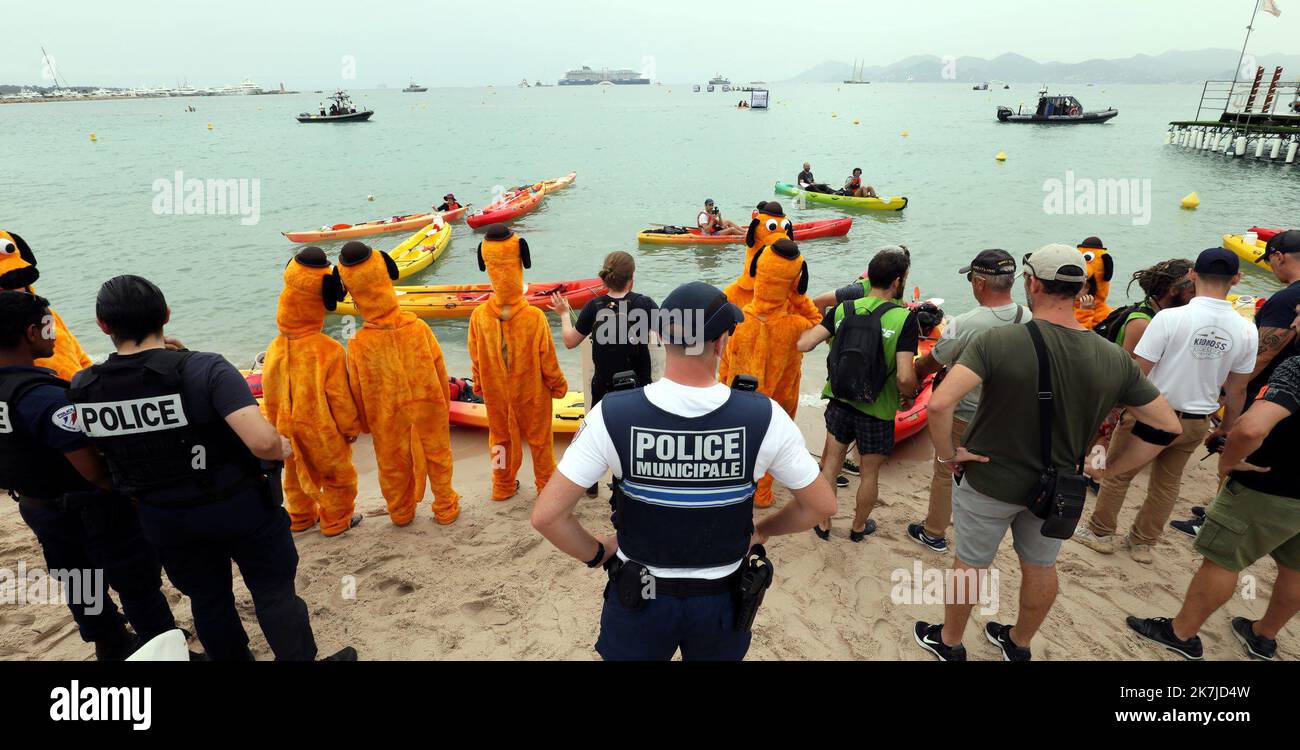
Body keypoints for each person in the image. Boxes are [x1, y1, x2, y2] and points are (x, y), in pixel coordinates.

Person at [531, 281, 836, 661]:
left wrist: (597, 554)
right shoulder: (764, 416)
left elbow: (547, 516)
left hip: (638, 595)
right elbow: (821, 506)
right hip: (722, 601)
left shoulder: (612, 414)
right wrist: (762, 530)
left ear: (659, 336)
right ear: (722, 341)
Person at [912, 244, 1181, 662]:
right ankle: (1018, 643)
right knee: (1039, 566)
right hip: (1058, 487)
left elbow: (940, 403)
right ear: (1081, 290)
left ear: (1032, 283)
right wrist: (1110, 471)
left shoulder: (998, 342)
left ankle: (949, 642)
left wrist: (949, 456)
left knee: (970, 565)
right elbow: (1168, 425)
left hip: (989, 479)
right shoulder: (1113, 359)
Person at [67, 276, 347, 661]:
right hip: (238, 505)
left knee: (209, 599)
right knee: (273, 591)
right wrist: (281, 446)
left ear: (103, 326)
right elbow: (261, 442)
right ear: (166, 315)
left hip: (163, 516)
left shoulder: (84, 386)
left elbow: (98, 462)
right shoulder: (204, 369)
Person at [0, 291, 178, 661]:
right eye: (49, 326)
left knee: (79, 580)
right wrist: (129, 493)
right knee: (136, 582)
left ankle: (109, 643)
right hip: (88, 506)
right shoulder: (44, 398)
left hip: (36, 504)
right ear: (32, 332)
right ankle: (158, 644)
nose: (54, 334)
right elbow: (93, 469)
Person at [1126, 320, 1300, 661]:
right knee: (1295, 569)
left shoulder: (1297, 367)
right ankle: (1264, 636)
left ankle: (1182, 633)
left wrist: (1228, 462)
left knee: (1222, 559)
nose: (1294, 322)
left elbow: (1250, 428)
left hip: (1269, 484)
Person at [1076, 249, 1257, 564]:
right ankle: (1143, 543)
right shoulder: (1246, 329)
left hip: (1152, 413)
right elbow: (1237, 389)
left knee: (1119, 474)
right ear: (1237, 279)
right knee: (1167, 483)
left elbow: (1138, 373)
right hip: (1198, 419)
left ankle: (1101, 533)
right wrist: (1226, 429)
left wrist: (1112, 414)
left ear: (1193, 275)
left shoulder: (1168, 318)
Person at [907, 249, 1029, 553]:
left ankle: (934, 532)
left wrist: (909, 377)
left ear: (979, 282)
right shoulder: (1030, 318)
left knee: (946, 471)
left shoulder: (966, 323)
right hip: (1010, 414)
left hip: (966, 414)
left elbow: (932, 363)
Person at [797, 249, 919, 542]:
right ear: (898, 281)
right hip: (877, 409)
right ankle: (858, 528)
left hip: (840, 401)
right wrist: (910, 397)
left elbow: (804, 344)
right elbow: (904, 376)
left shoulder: (844, 309)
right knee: (869, 474)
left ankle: (824, 524)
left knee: (832, 464)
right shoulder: (904, 319)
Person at [337, 240, 460, 525]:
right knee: (438, 453)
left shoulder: (359, 343)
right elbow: (439, 368)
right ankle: (445, 506)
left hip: (386, 414)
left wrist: (364, 423)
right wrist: (444, 402)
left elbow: (356, 389)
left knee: (392, 463)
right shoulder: (418, 328)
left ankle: (401, 512)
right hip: (428, 403)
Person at [262, 247, 363, 537]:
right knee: (337, 476)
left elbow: (269, 393)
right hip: (321, 429)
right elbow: (339, 397)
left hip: (285, 428)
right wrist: (350, 427)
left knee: (294, 475)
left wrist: (273, 428)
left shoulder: (274, 348)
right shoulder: (327, 350)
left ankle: (301, 518)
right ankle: (335, 521)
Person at [468, 225, 568, 500]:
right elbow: (547, 358)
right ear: (520, 260)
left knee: (499, 441)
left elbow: (475, 356)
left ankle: (502, 485)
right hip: (531, 392)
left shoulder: (479, 316)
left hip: (496, 392)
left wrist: (478, 384)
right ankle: (546, 486)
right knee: (540, 441)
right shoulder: (533, 317)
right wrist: (558, 385)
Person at [551, 251, 658, 497]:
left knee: (595, 436)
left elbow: (570, 342)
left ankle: (590, 484)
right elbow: (670, 337)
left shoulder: (594, 306)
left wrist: (565, 314)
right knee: (637, 436)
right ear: (632, 279)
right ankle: (633, 482)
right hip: (638, 388)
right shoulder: (644, 303)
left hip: (604, 387)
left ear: (606, 279)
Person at [719, 238, 815, 508]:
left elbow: (724, 360)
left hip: (736, 400)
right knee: (774, 443)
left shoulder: (737, 319)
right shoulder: (797, 324)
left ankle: (733, 485)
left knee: (736, 444)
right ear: (795, 279)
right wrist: (798, 296)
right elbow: (820, 324)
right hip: (778, 403)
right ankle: (762, 494)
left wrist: (719, 388)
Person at [0, 229, 93, 381]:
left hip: (78, 395)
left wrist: (91, 388)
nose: (12, 292)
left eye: (16, 280)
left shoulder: (45, 313)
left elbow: (80, 357)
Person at [1095, 258, 1195, 356]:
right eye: (1193, 292)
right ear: (1173, 291)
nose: (1198, 297)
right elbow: (1130, 370)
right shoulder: (1141, 324)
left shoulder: (1164, 315)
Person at [1246, 230, 1300, 399]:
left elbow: (1262, 357)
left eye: (1269, 262)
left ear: (1279, 257)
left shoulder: (1286, 299)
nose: (1272, 269)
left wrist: (1226, 391)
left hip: (1272, 393)